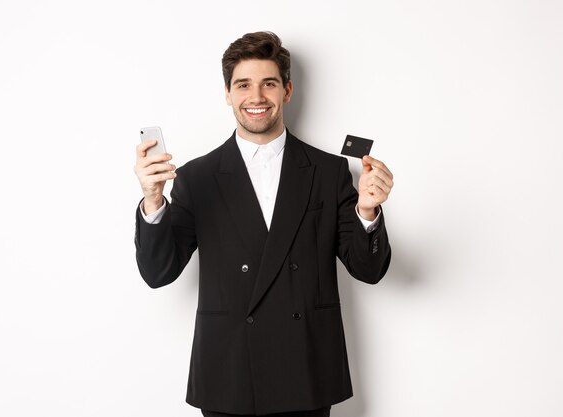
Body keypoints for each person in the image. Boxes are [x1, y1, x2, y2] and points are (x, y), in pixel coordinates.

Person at [133, 31, 393, 417]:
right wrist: (154, 201)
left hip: (305, 370)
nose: (256, 97)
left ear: (286, 90)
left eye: (268, 83)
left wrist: (368, 212)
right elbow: (158, 273)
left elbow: (368, 270)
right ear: (227, 93)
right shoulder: (197, 176)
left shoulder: (328, 171)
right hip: (229, 374)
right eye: (243, 85)